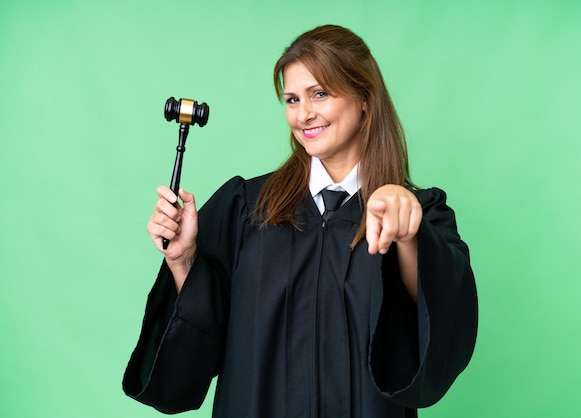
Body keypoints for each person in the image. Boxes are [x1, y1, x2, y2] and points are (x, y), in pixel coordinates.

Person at [122, 24, 478, 418]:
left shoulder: (418, 212)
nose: (303, 113)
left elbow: (436, 322)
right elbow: (200, 343)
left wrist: (411, 233)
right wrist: (184, 260)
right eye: (292, 99)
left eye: (319, 93)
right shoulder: (247, 208)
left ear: (363, 98)